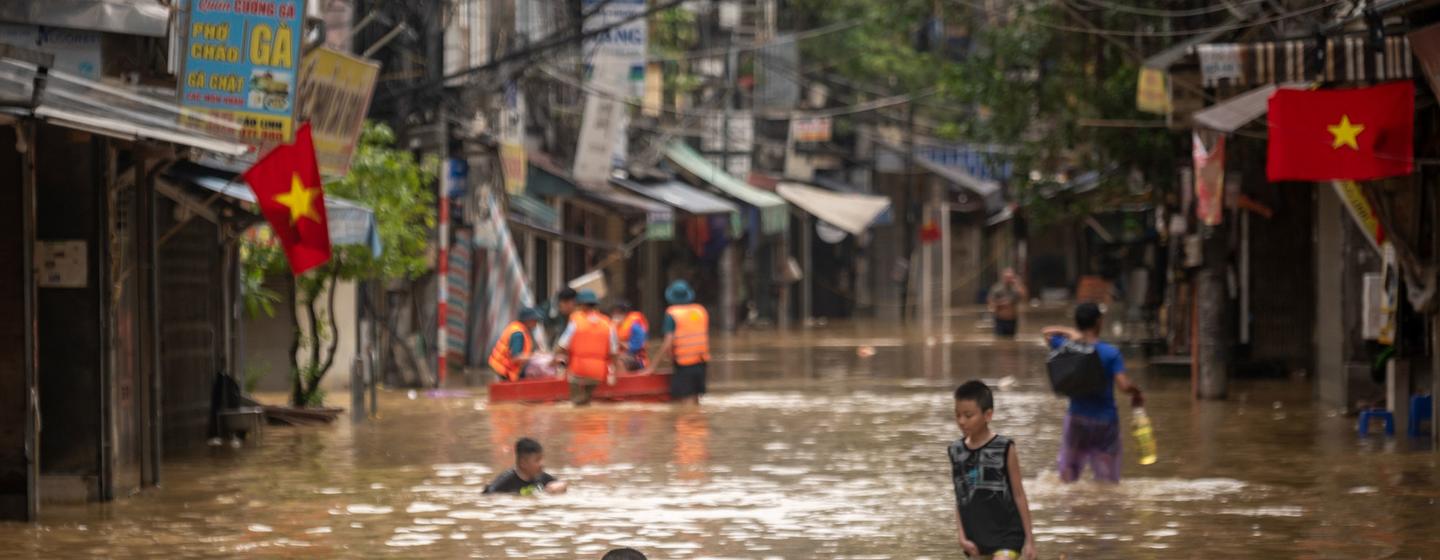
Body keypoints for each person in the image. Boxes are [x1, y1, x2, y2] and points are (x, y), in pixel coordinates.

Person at [1041, 303, 1144, 483]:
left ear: (1077, 323)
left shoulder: (1067, 346)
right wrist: (1137, 392)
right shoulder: (1111, 353)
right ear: (1099, 322)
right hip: (1105, 422)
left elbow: (1047, 333)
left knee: (1067, 478)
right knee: (1108, 481)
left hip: (1077, 418)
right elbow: (1123, 386)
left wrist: (1072, 333)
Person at [949, 380, 1036, 560]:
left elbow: (1019, 494)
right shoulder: (956, 451)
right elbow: (960, 495)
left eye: (968, 415)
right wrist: (962, 537)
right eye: (957, 415)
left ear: (988, 415)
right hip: (976, 540)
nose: (961, 421)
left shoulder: (1004, 447)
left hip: (1007, 535)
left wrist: (1029, 541)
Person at [556, 290, 622, 405]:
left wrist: (555, 360)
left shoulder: (576, 321)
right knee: (586, 400)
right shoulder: (608, 323)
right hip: (598, 372)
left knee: (576, 403)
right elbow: (614, 352)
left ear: (581, 305)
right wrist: (614, 372)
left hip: (578, 370)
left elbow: (562, 345)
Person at [654, 280, 709, 405]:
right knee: (695, 400)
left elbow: (668, 343)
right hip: (701, 363)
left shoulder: (672, 314)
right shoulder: (700, 311)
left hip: (685, 365)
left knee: (686, 405)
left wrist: (653, 367)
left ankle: (689, 424)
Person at [484, 437, 568, 495]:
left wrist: (559, 486)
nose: (542, 464)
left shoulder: (541, 477)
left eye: (542, 459)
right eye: (537, 460)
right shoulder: (507, 480)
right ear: (523, 463)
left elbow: (561, 483)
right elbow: (488, 494)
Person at [488, 307, 540, 382]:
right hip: (502, 370)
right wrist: (535, 357)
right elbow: (516, 357)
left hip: (502, 369)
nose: (536, 324)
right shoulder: (518, 334)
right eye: (534, 320)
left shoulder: (519, 328)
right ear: (527, 320)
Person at [987, 269, 1028, 338]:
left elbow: (1025, 298)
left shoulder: (1016, 288)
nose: (1008, 279)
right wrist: (1001, 303)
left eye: (1010, 277)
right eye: (1007, 277)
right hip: (1000, 319)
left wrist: (1018, 284)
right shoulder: (997, 288)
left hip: (1012, 319)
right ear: (1003, 278)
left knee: (1011, 339)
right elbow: (990, 302)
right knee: (1000, 341)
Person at [613, 300, 649, 371]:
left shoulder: (635, 326)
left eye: (617, 311)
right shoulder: (616, 325)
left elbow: (636, 347)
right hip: (623, 355)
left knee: (618, 361)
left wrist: (619, 343)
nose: (614, 314)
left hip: (636, 359)